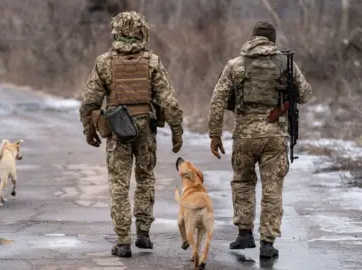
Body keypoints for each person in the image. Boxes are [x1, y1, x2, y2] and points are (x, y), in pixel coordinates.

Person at [78, 11, 184, 258]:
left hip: (118, 131)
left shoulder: (104, 62)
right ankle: (144, 234)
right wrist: (177, 133)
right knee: (146, 179)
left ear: (116, 31)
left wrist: (89, 131)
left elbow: (89, 103)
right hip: (146, 130)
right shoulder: (153, 62)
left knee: (119, 186)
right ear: (142, 31)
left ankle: (123, 241)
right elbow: (170, 103)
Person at [207, 20, 313, 259]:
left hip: (244, 135)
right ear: (272, 40)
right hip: (275, 136)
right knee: (272, 188)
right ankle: (267, 242)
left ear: (252, 38)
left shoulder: (236, 65)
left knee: (243, 182)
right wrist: (288, 89)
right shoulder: (285, 64)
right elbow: (306, 94)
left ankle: (244, 234)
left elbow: (217, 101)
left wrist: (215, 134)